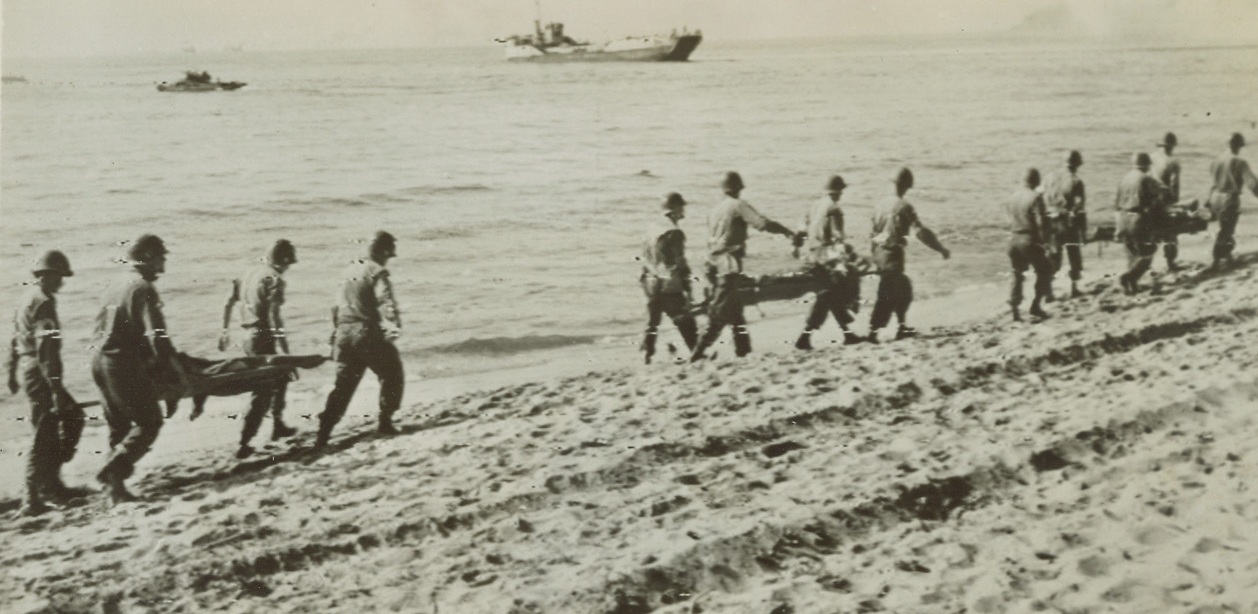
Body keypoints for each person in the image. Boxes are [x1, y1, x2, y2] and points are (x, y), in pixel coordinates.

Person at [92, 234, 187, 503]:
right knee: (149, 423)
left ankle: (115, 490)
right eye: (160, 259)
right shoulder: (143, 288)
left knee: (119, 425)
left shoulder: (116, 283)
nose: (163, 266)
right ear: (146, 257)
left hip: (99, 360)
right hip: (120, 363)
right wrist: (170, 371)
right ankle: (112, 471)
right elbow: (157, 336)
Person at [8, 251, 87, 515]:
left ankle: (51, 483)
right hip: (39, 372)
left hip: (28, 367)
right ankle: (32, 498)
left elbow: (14, 337)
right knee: (46, 431)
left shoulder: (26, 298)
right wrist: (55, 389)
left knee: (65, 420)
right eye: (58, 277)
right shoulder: (43, 303)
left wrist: (11, 372)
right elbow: (46, 350)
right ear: (45, 276)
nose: (61, 283)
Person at [689, 172, 797, 361]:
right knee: (720, 311)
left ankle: (743, 351)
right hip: (728, 265)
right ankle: (697, 354)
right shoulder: (738, 205)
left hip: (712, 264)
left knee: (735, 309)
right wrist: (787, 232)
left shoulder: (715, 210)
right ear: (738, 188)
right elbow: (762, 224)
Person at [315, 231, 404, 450]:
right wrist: (395, 323)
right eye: (389, 253)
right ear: (383, 251)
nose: (389, 258)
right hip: (365, 331)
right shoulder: (377, 270)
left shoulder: (349, 270)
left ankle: (323, 434)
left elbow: (335, 307)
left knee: (343, 386)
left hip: (344, 332)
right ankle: (385, 421)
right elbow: (386, 299)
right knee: (392, 372)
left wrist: (335, 332)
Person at [220, 240, 299, 459]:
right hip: (263, 337)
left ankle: (278, 424)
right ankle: (244, 441)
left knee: (281, 378)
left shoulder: (248, 274)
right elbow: (274, 317)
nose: (288, 268)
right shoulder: (274, 279)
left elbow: (228, 303)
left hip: (247, 337)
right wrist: (284, 349)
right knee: (263, 389)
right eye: (288, 263)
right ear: (282, 261)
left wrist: (224, 332)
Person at [866, 167, 950, 343]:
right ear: (906, 185)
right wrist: (940, 249)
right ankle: (875, 333)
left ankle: (899, 327)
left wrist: (874, 255)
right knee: (890, 294)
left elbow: (872, 233)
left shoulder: (880, 204)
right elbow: (921, 232)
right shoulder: (904, 206)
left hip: (879, 252)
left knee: (901, 290)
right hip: (893, 253)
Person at [795, 174, 864, 350]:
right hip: (826, 258)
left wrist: (797, 248)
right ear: (839, 191)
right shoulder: (834, 209)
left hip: (812, 257)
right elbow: (837, 237)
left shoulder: (813, 206)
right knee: (829, 296)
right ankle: (804, 337)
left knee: (831, 296)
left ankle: (847, 334)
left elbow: (801, 232)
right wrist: (849, 255)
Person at [639, 193, 698, 364]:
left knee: (652, 321)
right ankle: (697, 353)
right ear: (674, 210)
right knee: (685, 319)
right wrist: (688, 287)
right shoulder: (675, 232)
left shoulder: (652, 228)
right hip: (667, 283)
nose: (683, 212)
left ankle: (647, 354)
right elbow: (678, 262)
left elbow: (645, 255)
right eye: (681, 208)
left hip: (649, 281)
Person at [1004, 169, 1053, 322]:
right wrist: (1045, 241)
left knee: (1016, 274)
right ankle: (1036, 306)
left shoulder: (1012, 197)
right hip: (1029, 239)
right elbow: (1040, 222)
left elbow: (1009, 220)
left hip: (1013, 239)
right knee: (1046, 270)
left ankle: (1015, 310)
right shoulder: (1036, 197)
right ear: (1037, 181)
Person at [1208, 132, 1258, 270]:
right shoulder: (1240, 162)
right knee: (1227, 230)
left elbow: (1212, 182)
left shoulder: (1217, 160)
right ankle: (1216, 261)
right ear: (1239, 146)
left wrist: (1208, 201)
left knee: (1224, 228)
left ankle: (1227, 256)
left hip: (1215, 197)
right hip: (1229, 199)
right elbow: (1252, 184)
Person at [1042, 150, 1087, 299]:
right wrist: (1083, 230)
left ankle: (1048, 291)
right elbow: (1079, 206)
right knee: (1074, 255)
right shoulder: (1076, 181)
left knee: (1054, 257)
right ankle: (1074, 289)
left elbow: (1040, 195)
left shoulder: (1050, 177)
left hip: (1050, 221)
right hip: (1067, 222)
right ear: (1077, 164)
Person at [1114, 153, 1162, 294]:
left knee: (1132, 254)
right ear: (1147, 165)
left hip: (1122, 218)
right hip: (1137, 220)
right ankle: (1127, 278)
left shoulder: (1124, 178)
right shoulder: (1146, 179)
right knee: (1148, 253)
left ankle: (1132, 285)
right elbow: (1155, 200)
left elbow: (1117, 204)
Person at [1151, 132, 1182, 271]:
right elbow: (1174, 184)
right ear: (1172, 146)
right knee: (1171, 232)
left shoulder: (1152, 158)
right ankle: (1170, 263)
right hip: (1165, 200)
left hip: (1151, 200)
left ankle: (1148, 263)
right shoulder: (1173, 162)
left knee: (1151, 231)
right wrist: (1175, 201)